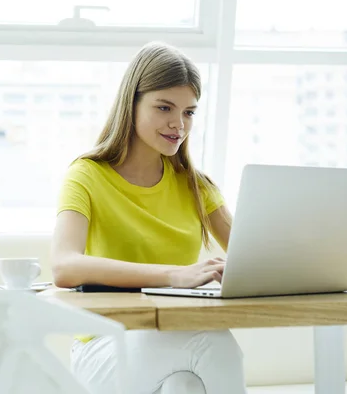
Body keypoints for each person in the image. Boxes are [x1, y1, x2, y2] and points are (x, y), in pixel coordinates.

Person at [50, 42, 246, 394]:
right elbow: (64, 265)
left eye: (189, 112)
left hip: (168, 339)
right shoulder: (87, 175)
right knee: (211, 342)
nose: (178, 124)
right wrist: (173, 275)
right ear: (132, 104)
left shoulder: (196, 187)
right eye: (164, 107)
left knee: (183, 386)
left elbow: (254, 257)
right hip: (103, 342)